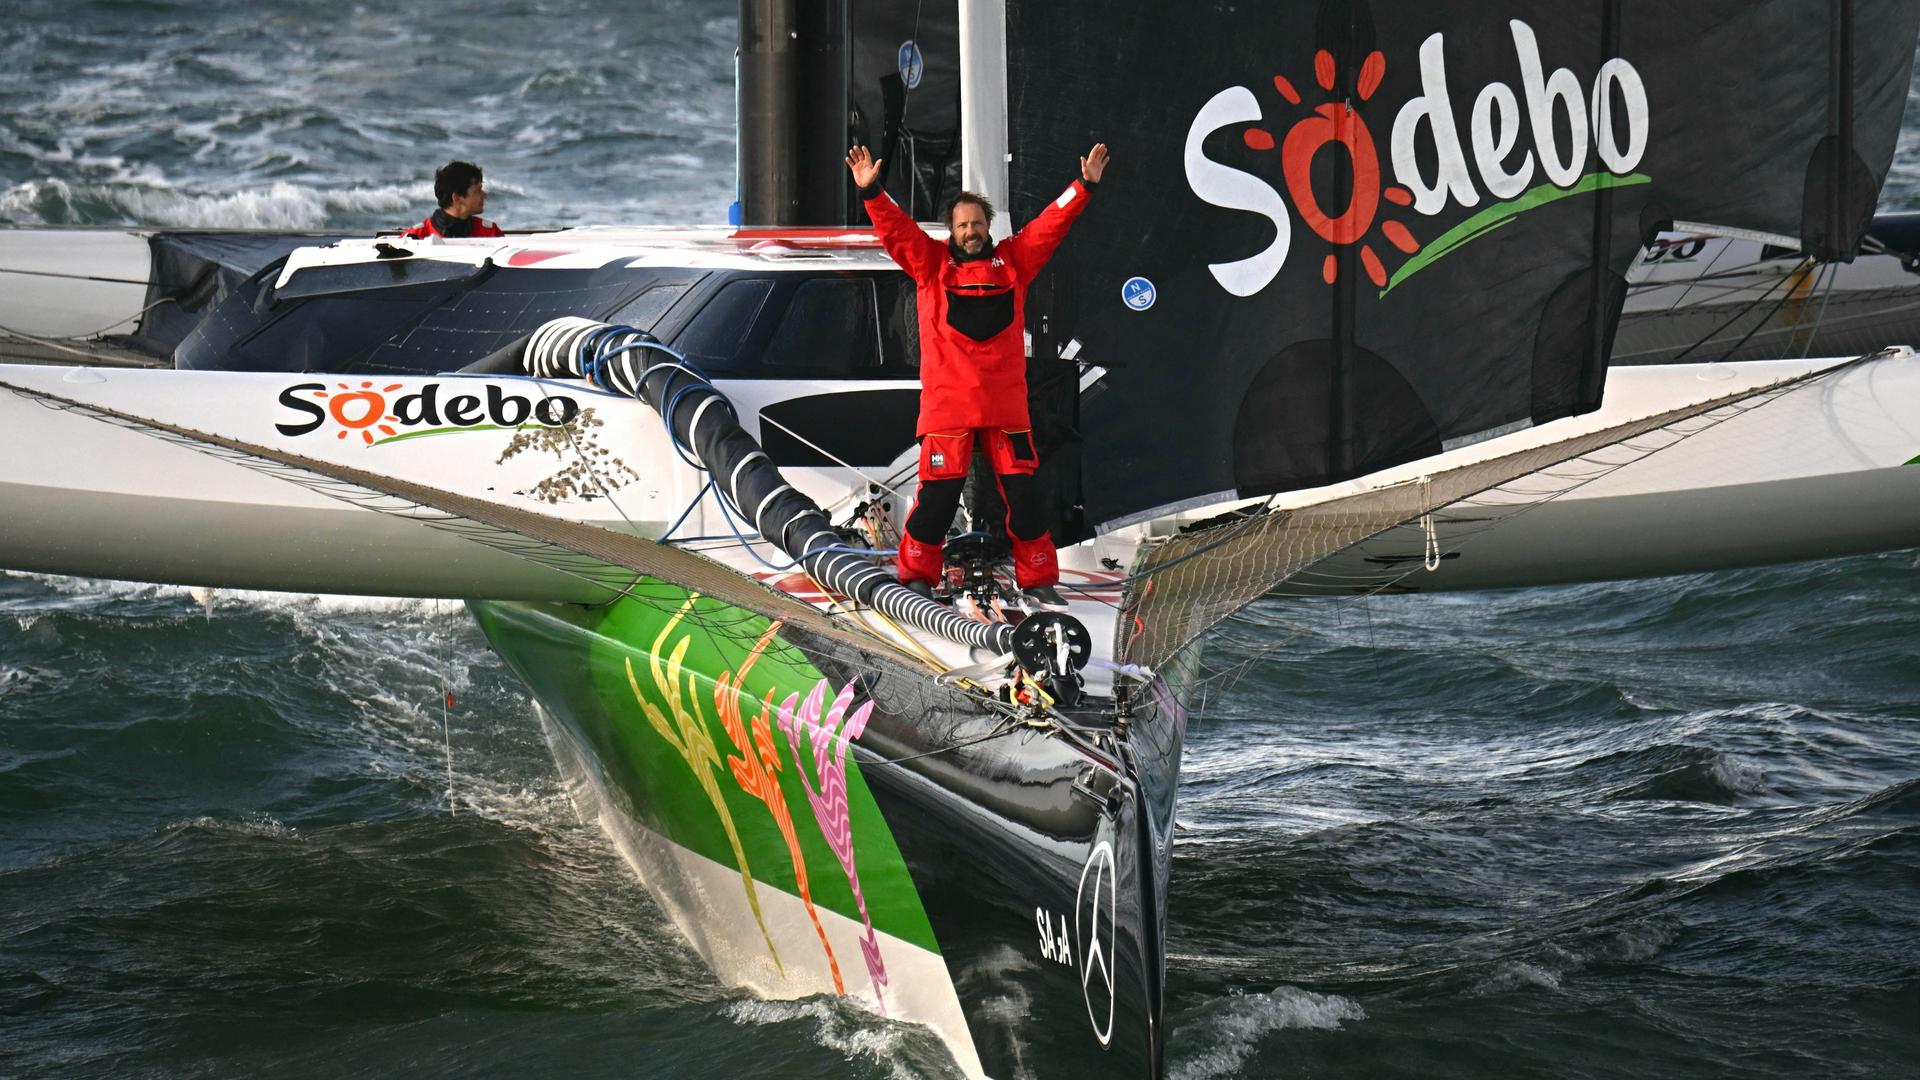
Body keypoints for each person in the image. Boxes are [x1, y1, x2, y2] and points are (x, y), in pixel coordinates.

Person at [847, 141, 1110, 610]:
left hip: (1007, 407)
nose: (971, 231)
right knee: (938, 499)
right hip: (950, 408)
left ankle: (1038, 578)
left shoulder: (1014, 261)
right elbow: (896, 231)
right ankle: (917, 575)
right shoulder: (931, 264)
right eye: (963, 225)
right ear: (951, 231)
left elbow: (1052, 224)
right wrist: (871, 192)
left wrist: (1084, 186)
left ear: (989, 228)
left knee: (1025, 498)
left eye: (978, 224)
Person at [403, 160, 504, 239]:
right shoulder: (415, 236)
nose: (485, 195)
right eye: (478, 191)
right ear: (456, 198)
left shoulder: (491, 232)